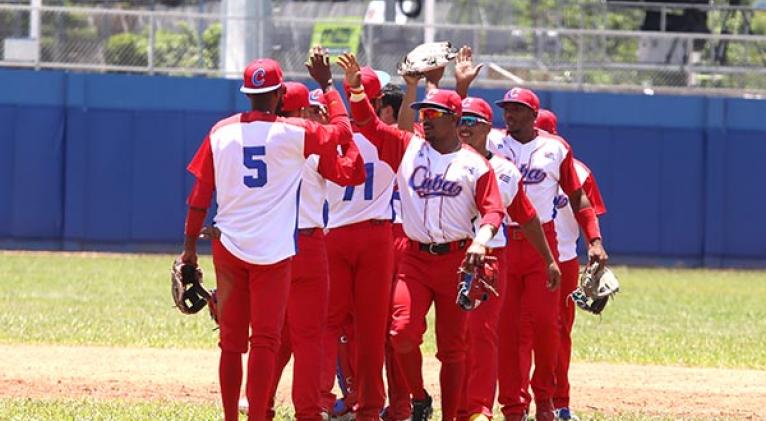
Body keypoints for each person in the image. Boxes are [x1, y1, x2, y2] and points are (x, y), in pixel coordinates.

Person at [178, 48, 353, 421]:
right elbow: (341, 133)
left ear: (246, 93)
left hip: (228, 245)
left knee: (231, 345)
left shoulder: (221, 131)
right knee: (266, 342)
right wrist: (328, 86)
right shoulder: (293, 132)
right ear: (277, 95)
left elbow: (198, 199)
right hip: (274, 253)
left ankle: (230, 417)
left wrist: (189, 250)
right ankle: (259, 415)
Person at [337, 52, 506, 421]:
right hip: (414, 259)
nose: (424, 120)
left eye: (432, 114)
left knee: (453, 349)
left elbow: (494, 209)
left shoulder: (475, 164)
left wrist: (482, 239)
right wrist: (354, 90)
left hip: (458, 258)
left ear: (453, 119)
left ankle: (453, 415)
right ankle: (418, 396)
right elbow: (369, 126)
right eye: (422, 114)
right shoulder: (409, 148)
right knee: (400, 332)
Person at [489, 88, 608, 421]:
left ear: (533, 114)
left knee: (547, 325)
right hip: (503, 241)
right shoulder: (494, 142)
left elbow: (578, 197)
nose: (509, 114)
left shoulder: (555, 148)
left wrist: (594, 240)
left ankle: (546, 401)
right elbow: (461, 134)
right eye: (506, 108)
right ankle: (513, 407)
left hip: (544, 243)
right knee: (509, 330)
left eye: (516, 109)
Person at [261, 81, 366, 420]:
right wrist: (336, 120)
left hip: (266, 244)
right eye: (308, 108)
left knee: (271, 335)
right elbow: (354, 172)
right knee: (308, 338)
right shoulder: (312, 145)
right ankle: (308, 411)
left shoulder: (255, 138)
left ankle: (260, 405)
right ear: (302, 110)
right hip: (305, 245)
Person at [454, 96, 560, 421]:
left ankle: (479, 409)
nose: (465, 127)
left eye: (472, 121)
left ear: (488, 128)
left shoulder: (505, 170)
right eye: (461, 120)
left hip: (489, 255)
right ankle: (446, 405)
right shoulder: (438, 158)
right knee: (451, 338)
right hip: (445, 251)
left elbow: (527, 217)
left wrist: (549, 260)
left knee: (483, 333)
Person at [319, 66, 398, 420]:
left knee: (327, 325)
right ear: (377, 100)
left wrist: (327, 88)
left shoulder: (327, 135)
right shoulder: (391, 138)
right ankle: (369, 407)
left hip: (334, 233)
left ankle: (318, 400)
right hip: (376, 235)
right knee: (371, 328)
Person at [535, 109, 607, 421]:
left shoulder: (577, 171)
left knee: (557, 332)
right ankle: (526, 401)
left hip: (563, 260)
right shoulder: (509, 160)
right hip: (527, 257)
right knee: (524, 333)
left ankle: (558, 401)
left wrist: (595, 244)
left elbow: (589, 211)